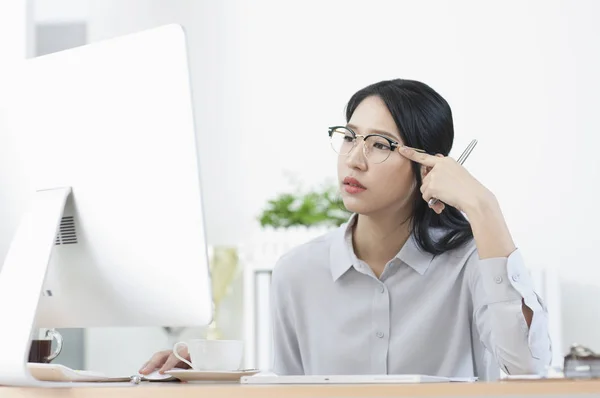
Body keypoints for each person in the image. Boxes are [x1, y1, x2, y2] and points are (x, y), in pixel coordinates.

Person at [139, 79, 552, 380]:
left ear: (429, 165)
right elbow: (289, 389)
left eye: (380, 144)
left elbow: (527, 367)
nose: (354, 159)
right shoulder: (296, 272)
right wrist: (209, 374)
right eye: (349, 137)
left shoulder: (468, 264)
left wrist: (484, 207)